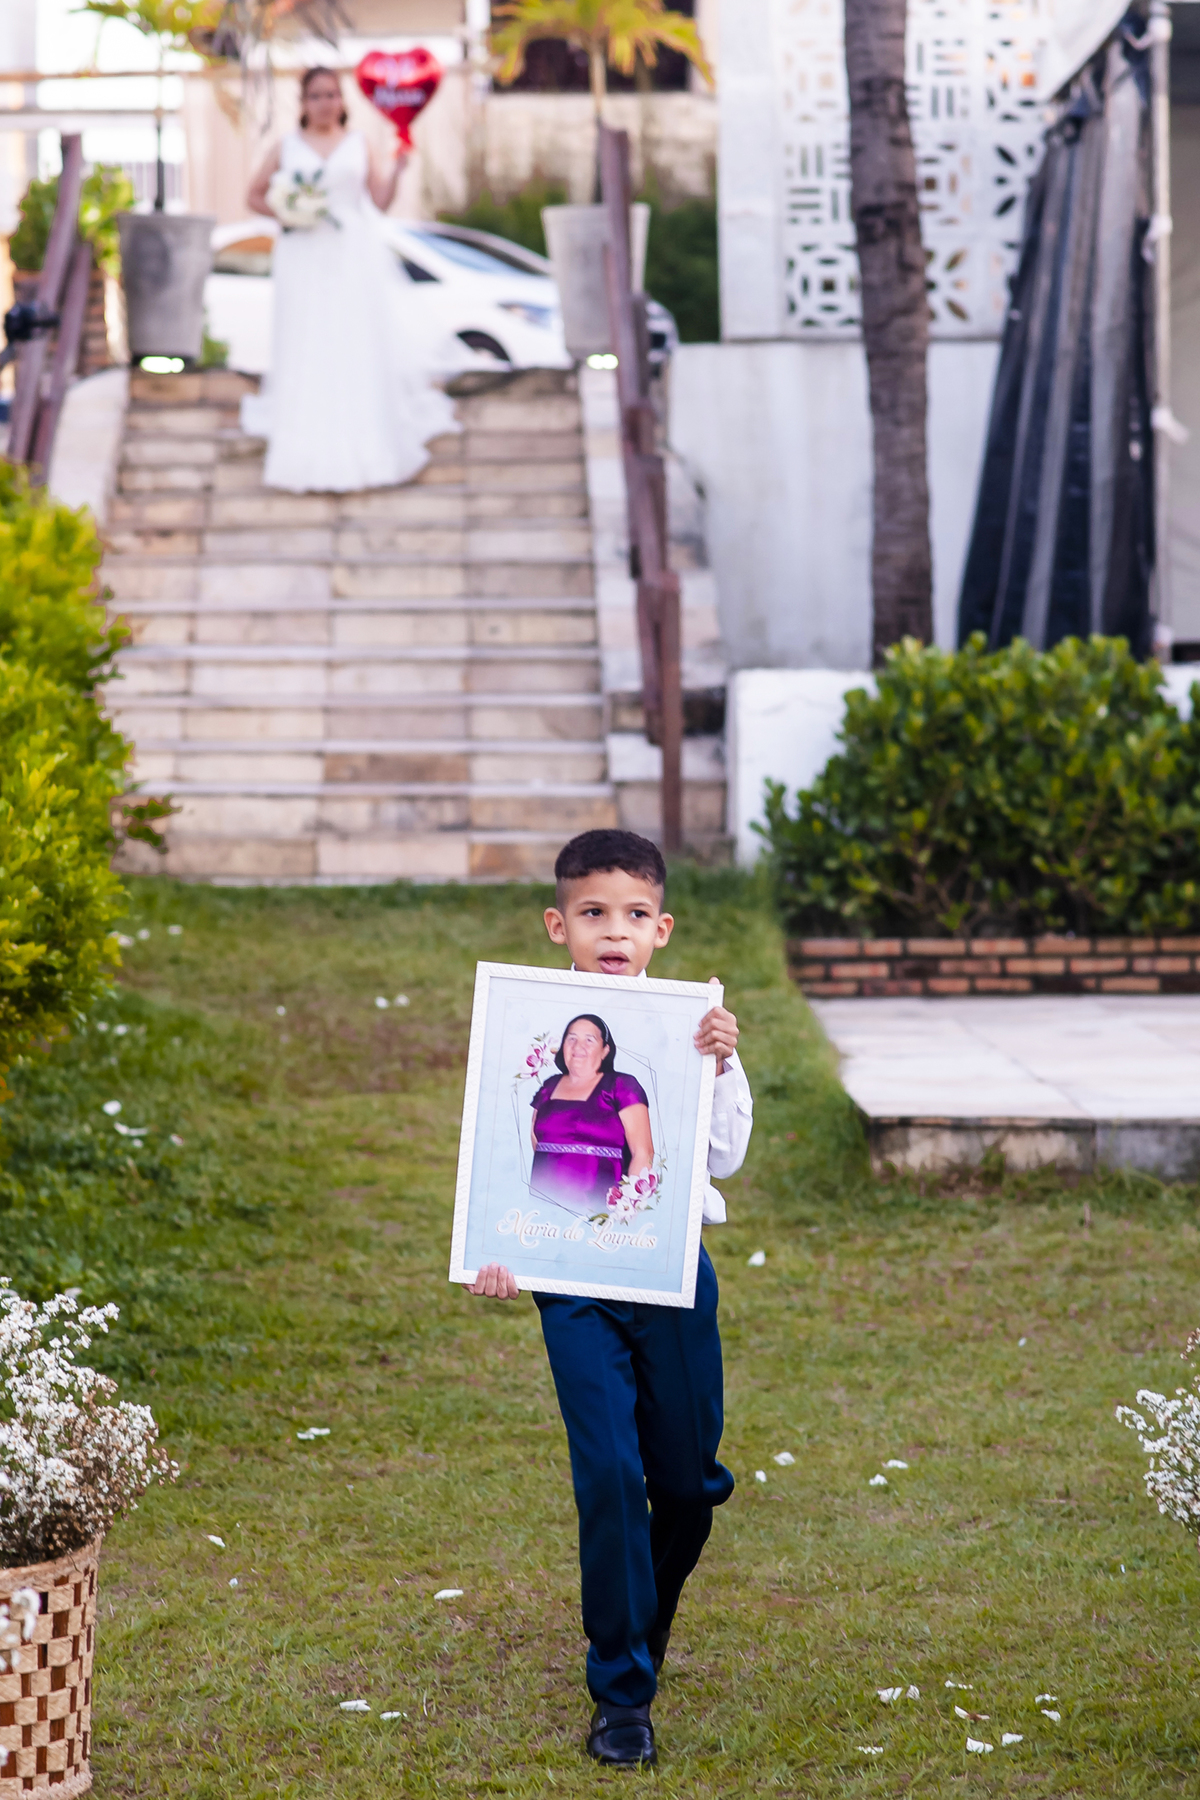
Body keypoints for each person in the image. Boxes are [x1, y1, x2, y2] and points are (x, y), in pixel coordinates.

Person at [469, 828, 753, 1769]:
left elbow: (718, 1159)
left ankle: (640, 1620)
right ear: (560, 926)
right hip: (572, 1284)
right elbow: (515, 1170)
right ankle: (622, 1690)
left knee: (685, 1487)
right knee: (607, 1479)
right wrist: (498, 1250)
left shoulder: (683, 1033)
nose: (614, 931)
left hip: (671, 1276)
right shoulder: (533, 1048)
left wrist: (722, 1059)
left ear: (662, 928)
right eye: (594, 913)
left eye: (634, 914)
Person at [243, 66, 457, 493]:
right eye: (317, 95)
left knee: (354, 341)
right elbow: (253, 195)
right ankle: (302, 450)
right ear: (303, 103)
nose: (326, 103)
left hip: (352, 255)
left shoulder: (360, 144)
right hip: (303, 254)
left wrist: (397, 170)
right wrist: (290, 213)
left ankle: (367, 444)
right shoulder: (285, 146)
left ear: (343, 100)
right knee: (307, 342)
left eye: (332, 94)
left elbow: (378, 200)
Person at [528, 1013, 653, 1215]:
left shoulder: (622, 1086)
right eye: (572, 1039)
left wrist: (626, 1211)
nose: (578, 1047)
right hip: (544, 1209)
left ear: (605, 1050)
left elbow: (643, 1153)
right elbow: (537, 1141)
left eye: (589, 1040)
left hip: (599, 1211)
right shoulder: (549, 1086)